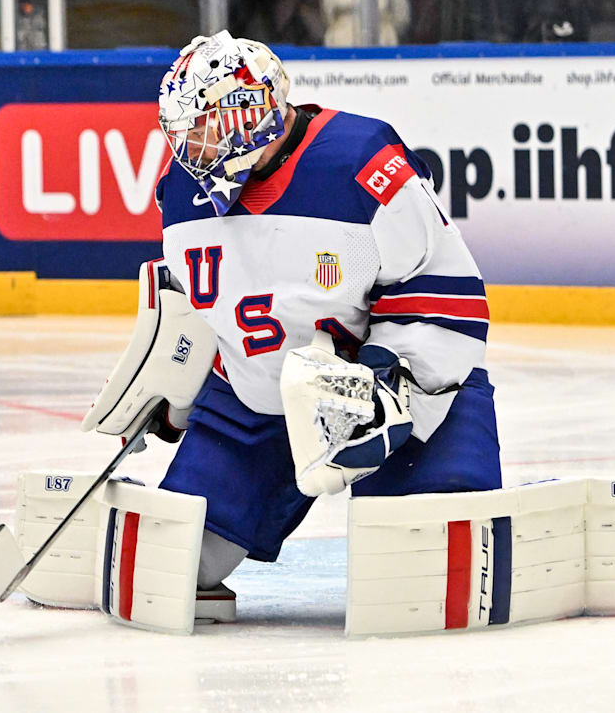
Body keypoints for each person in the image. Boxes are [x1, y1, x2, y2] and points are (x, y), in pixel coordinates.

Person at [151, 30, 500, 602]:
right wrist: (173, 390)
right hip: (254, 406)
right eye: (184, 132)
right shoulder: (179, 192)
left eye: (207, 128)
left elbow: (444, 290)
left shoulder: (362, 161)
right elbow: (194, 308)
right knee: (175, 565)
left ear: (253, 111)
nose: (194, 148)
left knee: (427, 572)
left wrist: (387, 385)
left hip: (396, 396)